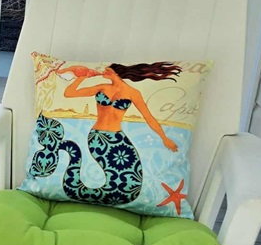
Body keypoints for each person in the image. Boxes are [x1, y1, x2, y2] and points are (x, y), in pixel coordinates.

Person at [27, 62, 181, 206]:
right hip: (98, 138)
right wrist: (80, 78)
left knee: (130, 171)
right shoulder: (102, 87)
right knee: (115, 169)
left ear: (114, 72)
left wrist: (164, 137)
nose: (103, 72)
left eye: (107, 70)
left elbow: (149, 118)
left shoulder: (133, 93)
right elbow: (69, 93)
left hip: (117, 138)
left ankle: (114, 195)